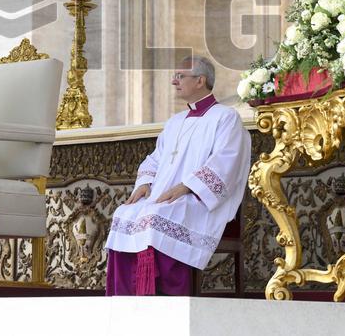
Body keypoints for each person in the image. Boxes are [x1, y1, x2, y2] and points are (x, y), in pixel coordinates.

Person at [105, 56, 250, 296]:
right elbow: (155, 158)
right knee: (124, 213)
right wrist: (145, 182)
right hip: (165, 197)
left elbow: (227, 161)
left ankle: (165, 297)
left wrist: (187, 187)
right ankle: (125, 300)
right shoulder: (175, 122)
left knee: (155, 216)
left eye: (180, 76)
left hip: (199, 200)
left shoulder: (225, 117)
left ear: (200, 80)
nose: (174, 81)